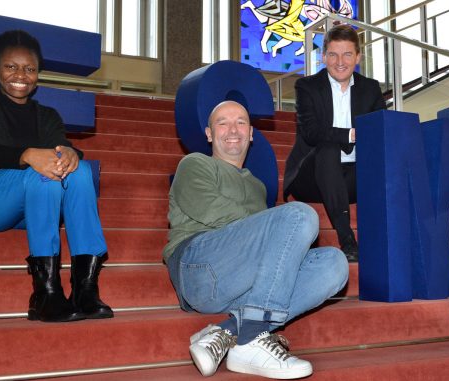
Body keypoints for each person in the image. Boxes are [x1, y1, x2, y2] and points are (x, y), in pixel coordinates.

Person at [163, 100, 349, 379]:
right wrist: (271, 229)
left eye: (240, 121)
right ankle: (250, 338)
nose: (232, 129)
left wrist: (273, 233)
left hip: (241, 285)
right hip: (199, 268)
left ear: (251, 133)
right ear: (209, 134)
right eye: (222, 122)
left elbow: (271, 246)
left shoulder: (257, 185)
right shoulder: (195, 164)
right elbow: (213, 213)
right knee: (299, 215)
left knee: (336, 263)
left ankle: (231, 331)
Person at [0, 30, 112, 322]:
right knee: (42, 173)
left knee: (78, 170)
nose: (20, 74)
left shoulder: (47, 115)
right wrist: (27, 154)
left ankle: (85, 290)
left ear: (38, 74)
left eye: (30, 68)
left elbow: (62, 149)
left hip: (33, 206)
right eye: (11, 66)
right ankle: (45, 294)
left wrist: (73, 153)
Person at [283, 24, 385, 262]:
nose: (340, 61)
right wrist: (350, 135)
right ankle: (347, 239)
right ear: (323, 56)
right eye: (333, 54)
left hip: (351, 180)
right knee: (328, 148)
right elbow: (311, 133)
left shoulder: (370, 88)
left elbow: (381, 130)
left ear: (357, 57)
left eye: (347, 54)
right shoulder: (307, 86)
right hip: (312, 178)